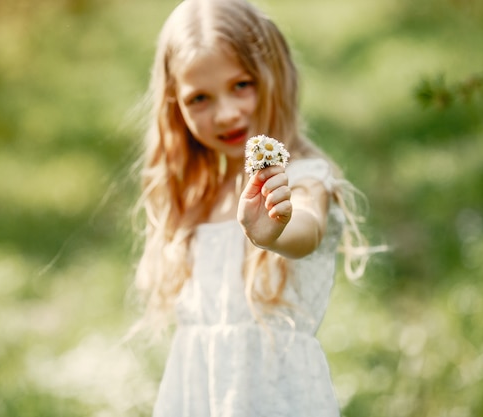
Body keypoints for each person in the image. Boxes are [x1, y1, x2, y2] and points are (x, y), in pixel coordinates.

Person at [131, 0, 370, 415]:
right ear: (175, 105)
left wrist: (276, 231)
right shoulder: (196, 197)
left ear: (275, 75)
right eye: (199, 98)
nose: (226, 113)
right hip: (197, 398)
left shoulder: (301, 178)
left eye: (242, 84)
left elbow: (306, 229)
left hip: (276, 400)